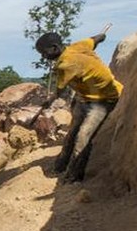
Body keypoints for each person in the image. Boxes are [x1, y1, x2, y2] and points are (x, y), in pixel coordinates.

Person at [35, 31, 123, 183]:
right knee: (72, 133)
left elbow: (60, 90)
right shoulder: (78, 46)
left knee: (83, 137)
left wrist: (48, 101)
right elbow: (96, 39)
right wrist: (101, 36)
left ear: (55, 48)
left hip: (104, 100)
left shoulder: (66, 65)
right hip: (85, 97)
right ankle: (60, 165)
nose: (43, 56)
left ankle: (73, 177)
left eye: (44, 53)